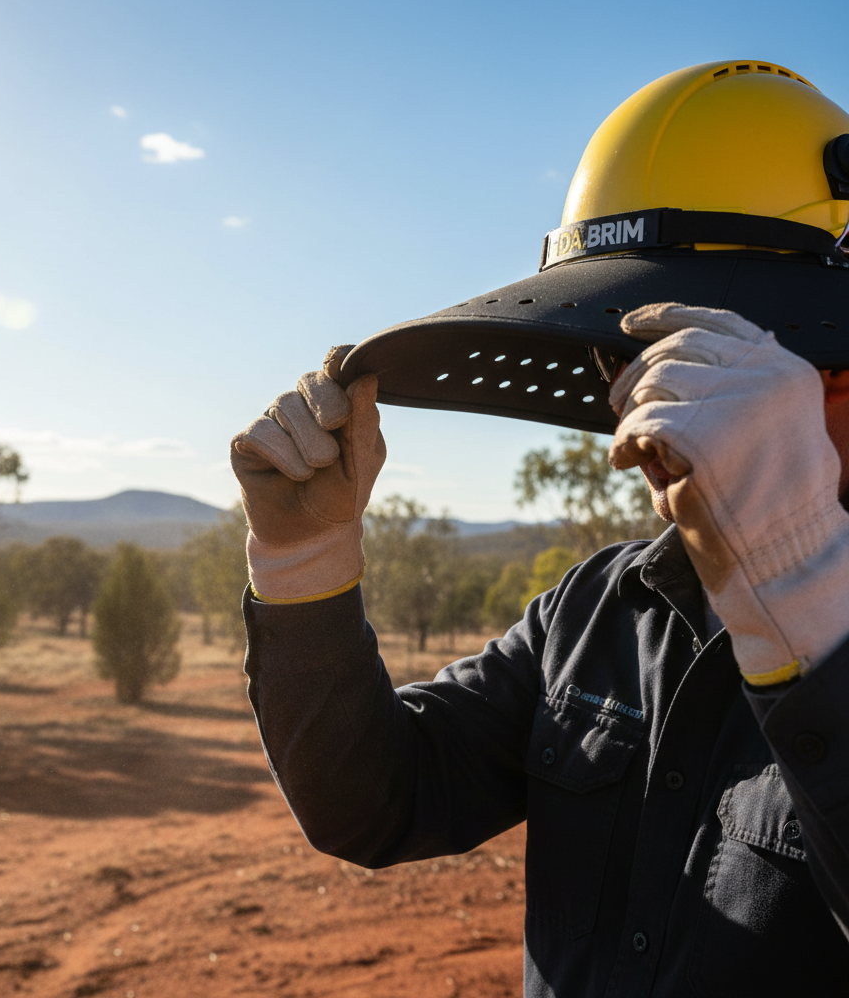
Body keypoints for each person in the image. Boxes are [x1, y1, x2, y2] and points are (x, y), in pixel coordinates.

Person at [231, 61, 849, 996]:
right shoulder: (599, 609)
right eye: (619, 353)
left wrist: (803, 595)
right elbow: (375, 802)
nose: (640, 403)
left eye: (699, 355)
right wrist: (302, 562)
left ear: (831, 366)